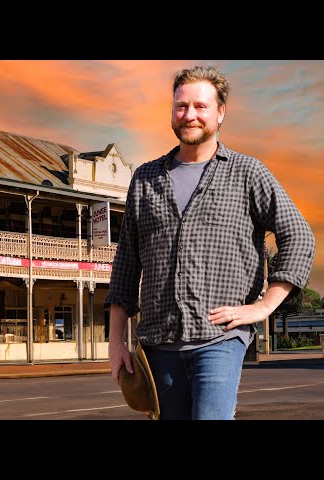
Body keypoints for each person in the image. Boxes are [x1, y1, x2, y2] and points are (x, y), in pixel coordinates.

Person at [105, 65, 315, 420]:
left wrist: (263, 307)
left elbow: (298, 236)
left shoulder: (248, 173)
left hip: (219, 339)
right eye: (182, 106)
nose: (190, 115)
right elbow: (127, 262)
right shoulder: (145, 178)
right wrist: (114, 342)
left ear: (220, 113)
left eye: (201, 107)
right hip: (159, 342)